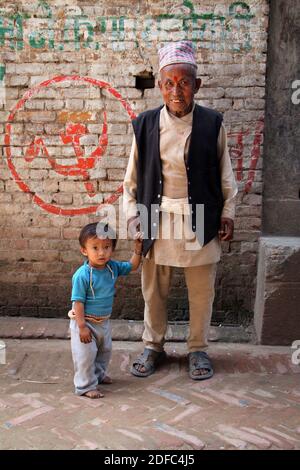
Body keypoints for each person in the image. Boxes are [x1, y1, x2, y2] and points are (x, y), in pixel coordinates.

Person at [123, 41, 238, 380]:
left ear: (197, 86)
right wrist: (133, 217)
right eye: (169, 83)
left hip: (199, 219)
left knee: (202, 292)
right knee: (153, 290)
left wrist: (228, 212)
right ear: (159, 86)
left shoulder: (213, 123)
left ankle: (198, 349)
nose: (177, 90)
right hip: (156, 220)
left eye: (184, 82)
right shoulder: (144, 125)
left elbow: (225, 173)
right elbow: (130, 180)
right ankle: (153, 345)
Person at [69, 222, 143, 398]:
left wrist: (138, 249)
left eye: (106, 247)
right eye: (95, 248)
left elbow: (132, 266)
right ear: (84, 250)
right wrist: (81, 327)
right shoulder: (82, 275)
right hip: (85, 322)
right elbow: (78, 302)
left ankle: (98, 375)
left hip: (103, 321)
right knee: (85, 356)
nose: (101, 252)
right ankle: (85, 386)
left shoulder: (112, 267)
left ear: (112, 249)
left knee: (104, 352)